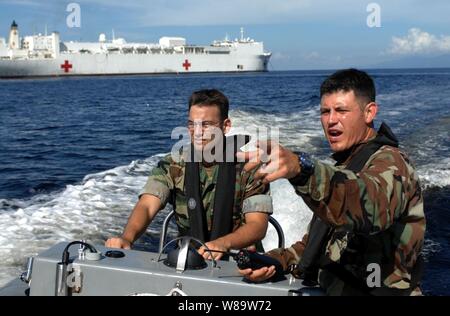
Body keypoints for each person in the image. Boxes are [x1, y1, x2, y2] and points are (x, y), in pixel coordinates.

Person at [237, 69, 425, 296]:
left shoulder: (393, 164)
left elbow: (367, 206)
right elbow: (314, 246)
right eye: (325, 112)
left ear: (369, 113)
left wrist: (302, 170)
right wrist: (275, 261)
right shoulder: (343, 169)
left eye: (341, 110)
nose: (331, 120)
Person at [106, 89, 273, 260]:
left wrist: (223, 244)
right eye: (192, 124)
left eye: (206, 124)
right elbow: (147, 206)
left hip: (239, 261)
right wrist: (127, 238)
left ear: (226, 126)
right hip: (189, 260)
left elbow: (257, 225)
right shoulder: (174, 164)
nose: (197, 132)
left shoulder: (251, 169)